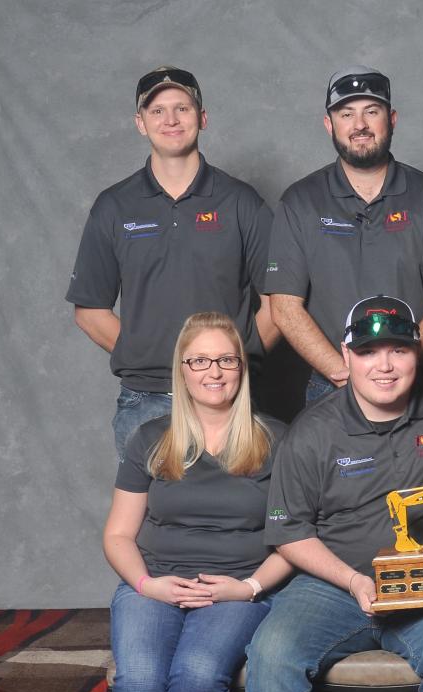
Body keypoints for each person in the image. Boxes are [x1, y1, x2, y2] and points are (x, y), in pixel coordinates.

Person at [245, 295, 423, 692]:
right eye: (368, 352)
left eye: (398, 350)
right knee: (272, 652)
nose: (384, 366)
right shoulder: (312, 430)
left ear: (417, 353)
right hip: (332, 584)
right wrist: (352, 580)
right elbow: (290, 532)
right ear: (345, 355)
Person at [66, 66, 277, 461]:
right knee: (145, 521)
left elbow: (279, 302)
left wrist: (230, 361)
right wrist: (148, 353)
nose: (171, 120)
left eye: (182, 108)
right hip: (146, 403)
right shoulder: (114, 206)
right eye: (158, 110)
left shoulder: (240, 202)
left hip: (227, 399)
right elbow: (90, 309)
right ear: (140, 123)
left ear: (203, 117)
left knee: (237, 519)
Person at [102, 312, 291, 692]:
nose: (215, 372)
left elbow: (295, 539)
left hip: (235, 587)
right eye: (200, 360)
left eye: (227, 360)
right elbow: (118, 535)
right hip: (152, 584)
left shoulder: (278, 439)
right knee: (138, 681)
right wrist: (147, 585)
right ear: (182, 370)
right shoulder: (150, 438)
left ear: (241, 367)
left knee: (197, 676)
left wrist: (248, 588)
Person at [264, 66, 423, 403]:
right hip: (331, 387)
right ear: (329, 124)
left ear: (392, 119)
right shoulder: (299, 203)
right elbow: (284, 308)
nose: (359, 125)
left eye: (372, 112)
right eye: (347, 114)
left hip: (418, 385)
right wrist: (347, 376)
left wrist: (396, 372)